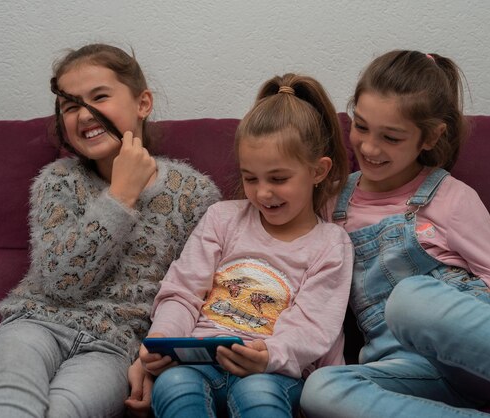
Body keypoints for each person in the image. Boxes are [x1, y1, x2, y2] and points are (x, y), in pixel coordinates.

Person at [300, 50, 490, 418]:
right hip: (407, 370)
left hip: (473, 355)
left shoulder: (451, 198)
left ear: (430, 137)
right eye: (361, 126)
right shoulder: (332, 204)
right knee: (321, 390)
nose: (368, 147)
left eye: (391, 137)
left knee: (409, 298)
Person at [0, 43, 221, 418]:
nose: (84, 114)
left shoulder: (194, 195)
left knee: (65, 410)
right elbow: (60, 283)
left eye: (100, 96)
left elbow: (199, 295)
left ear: (143, 104)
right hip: (35, 323)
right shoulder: (58, 182)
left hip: (114, 349)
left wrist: (160, 361)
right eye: (70, 106)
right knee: (7, 398)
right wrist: (120, 195)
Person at [137, 73, 354, 417]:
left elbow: (314, 325)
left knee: (257, 393)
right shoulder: (222, 218)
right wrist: (164, 338)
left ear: (318, 171)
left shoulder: (330, 243)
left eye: (279, 179)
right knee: (174, 385)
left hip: (274, 371)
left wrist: (269, 355)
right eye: (250, 178)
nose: (263, 192)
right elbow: (182, 291)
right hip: (200, 358)